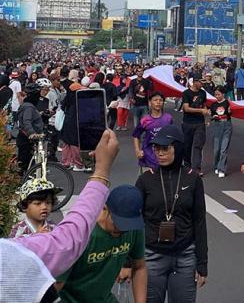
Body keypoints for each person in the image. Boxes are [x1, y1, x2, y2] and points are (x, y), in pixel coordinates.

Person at [3, 129, 120, 303]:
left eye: (48, 202)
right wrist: (101, 171)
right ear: (24, 206)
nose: (44, 207)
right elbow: (69, 240)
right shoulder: (18, 234)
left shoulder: (52, 227)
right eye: (37, 203)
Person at [136, 125, 208, 303]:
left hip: (185, 256)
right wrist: (129, 262)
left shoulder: (193, 179)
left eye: (165, 148)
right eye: (156, 148)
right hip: (152, 256)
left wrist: (202, 263)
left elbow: (199, 221)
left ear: (178, 147)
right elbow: (134, 222)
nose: (159, 153)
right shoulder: (145, 180)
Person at [54, 185, 147, 303]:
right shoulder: (81, 233)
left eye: (127, 225)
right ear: (104, 208)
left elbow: (139, 267)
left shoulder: (134, 229)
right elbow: (57, 283)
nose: (122, 230)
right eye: (118, 223)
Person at [132, 91, 173, 172]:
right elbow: (136, 135)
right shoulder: (145, 120)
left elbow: (172, 135)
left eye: (160, 100)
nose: (158, 102)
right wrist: (137, 150)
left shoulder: (168, 118)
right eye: (155, 100)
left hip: (164, 157)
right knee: (146, 179)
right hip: (148, 157)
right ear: (150, 102)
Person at [17, 82, 47, 174]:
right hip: (27, 137)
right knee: (25, 163)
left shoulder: (27, 105)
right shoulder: (29, 107)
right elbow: (27, 121)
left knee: (25, 163)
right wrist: (32, 133)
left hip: (24, 137)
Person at [181, 78, 209, 176]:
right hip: (188, 123)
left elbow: (204, 105)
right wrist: (200, 111)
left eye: (203, 82)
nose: (202, 84)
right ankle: (187, 166)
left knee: (198, 146)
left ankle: (196, 168)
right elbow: (186, 108)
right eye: (201, 82)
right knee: (187, 146)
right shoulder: (186, 93)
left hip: (200, 123)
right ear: (195, 82)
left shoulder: (203, 93)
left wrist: (206, 116)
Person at [209, 86, 232, 177]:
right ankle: (216, 166)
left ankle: (222, 169)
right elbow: (211, 115)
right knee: (217, 149)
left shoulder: (228, 103)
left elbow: (232, 112)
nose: (217, 96)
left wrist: (230, 111)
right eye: (216, 95)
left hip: (227, 125)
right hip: (217, 125)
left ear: (223, 94)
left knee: (224, 149)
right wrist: (212, 117)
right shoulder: (213, 105)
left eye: (219, 94)